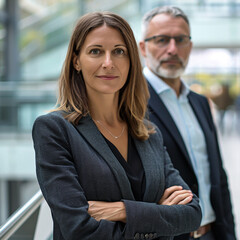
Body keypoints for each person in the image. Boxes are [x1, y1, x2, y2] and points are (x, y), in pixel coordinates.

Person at [32, 11, 202, 240]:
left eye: (119, 52)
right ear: (76, 61)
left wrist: (121, 210)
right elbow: (78, 230)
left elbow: (191, 214)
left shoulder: (148, 133)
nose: (108, 63)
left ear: (131, 60)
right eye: (96, 51)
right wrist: (159, 217)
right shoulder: (54, 130)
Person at [139, 6, 236, 240]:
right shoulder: (130, 103)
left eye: (180, 40)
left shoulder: (201, 103)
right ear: (143, 48)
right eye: (162, 40)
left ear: (190, 47)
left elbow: (218, 176)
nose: (172, 49)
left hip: (212, 231)